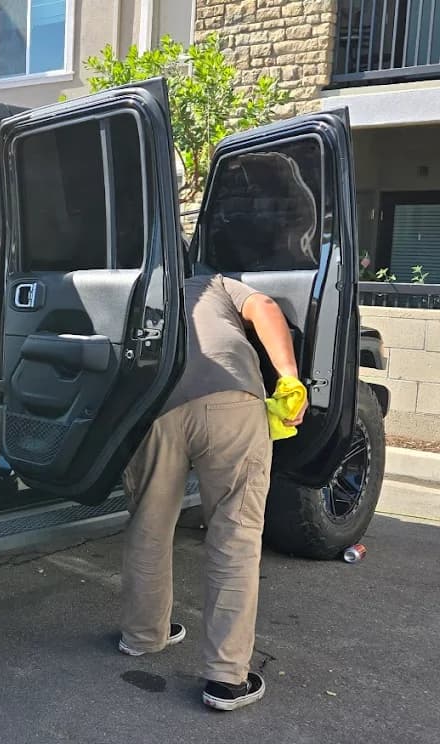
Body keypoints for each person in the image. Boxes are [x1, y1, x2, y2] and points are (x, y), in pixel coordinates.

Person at [118, 270, 304, 712]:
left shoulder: (139, 286)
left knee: (149, 525)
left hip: (154, 405)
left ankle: (143, 637)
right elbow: (266, 309)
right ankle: (225, 679)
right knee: (235, 534)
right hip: (230, 399)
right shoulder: (217, 284)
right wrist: (289, 377)